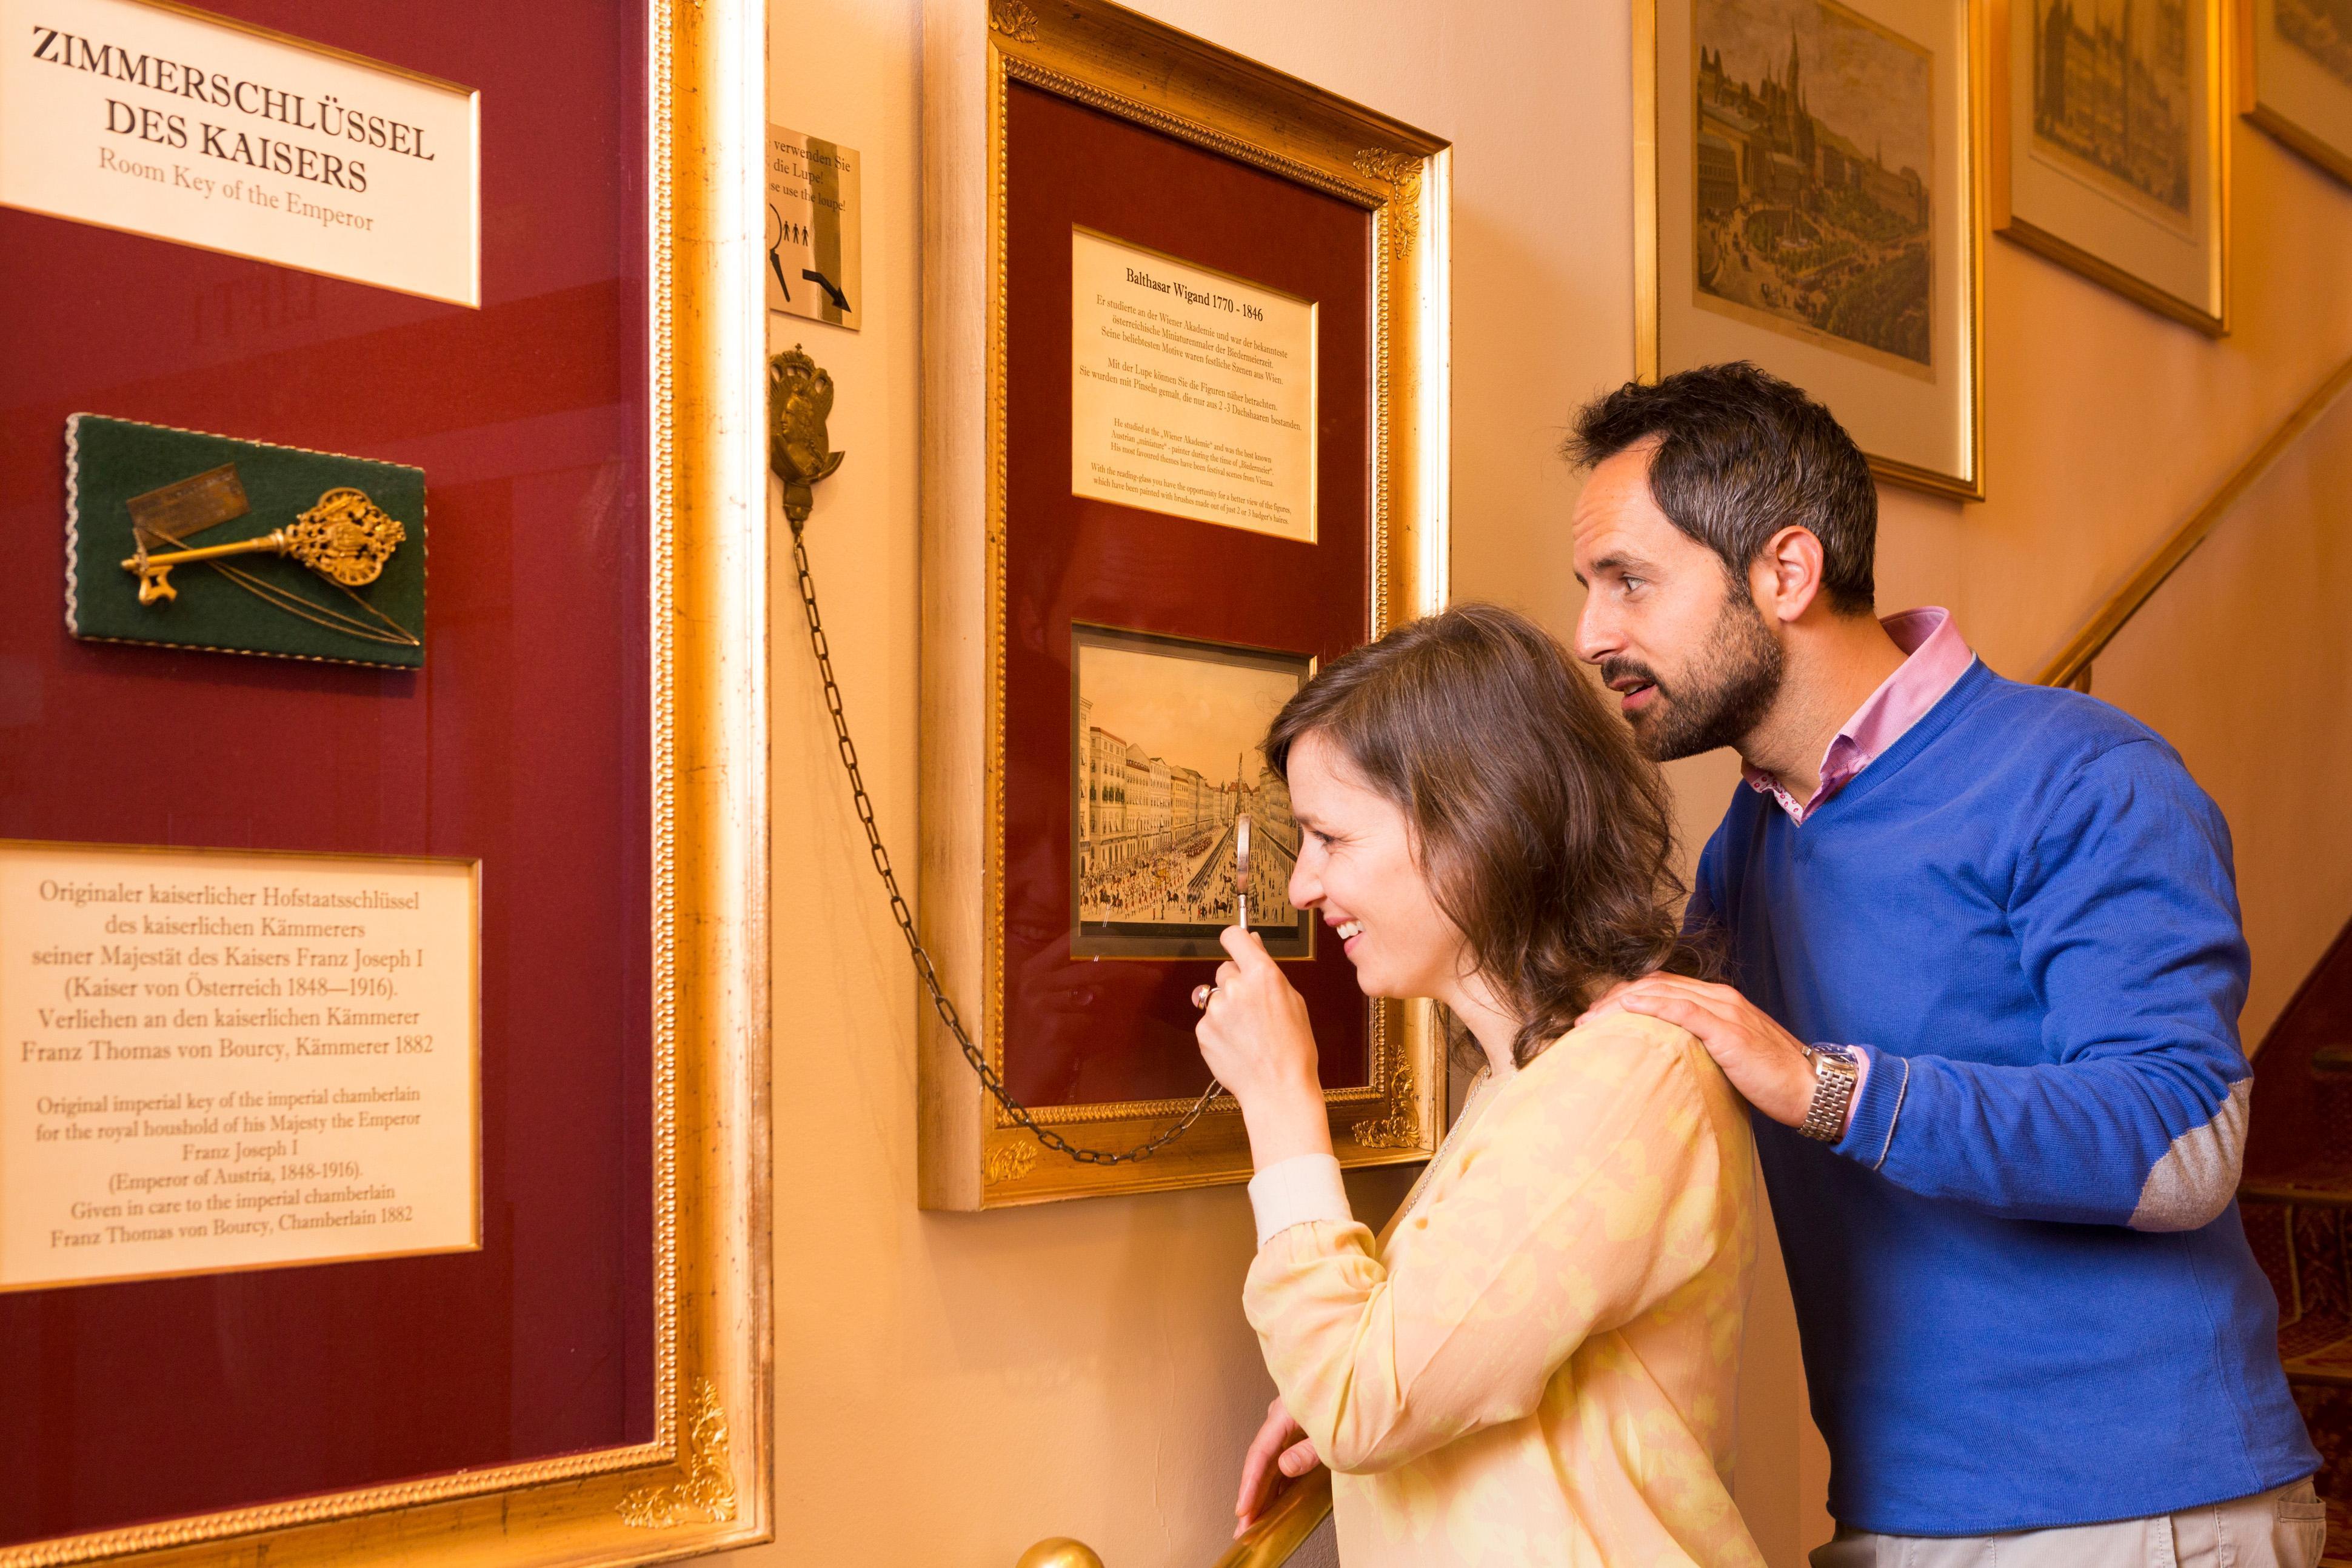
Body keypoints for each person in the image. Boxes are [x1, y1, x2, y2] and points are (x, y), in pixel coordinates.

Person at [1565, 362, 2325, 1566]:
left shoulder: (2083, 774)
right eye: (1587, 588)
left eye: (1627, 582)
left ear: (1784, 571)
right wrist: (1415, 1339)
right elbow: (1604, 1099)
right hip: (1896, 1512)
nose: (1590, 632)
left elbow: (2183, 1142)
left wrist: (1824, 1084)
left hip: (2131, 1512)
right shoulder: (1747, 847)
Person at [1191, 604, 1765, 1567]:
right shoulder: (1522, 1084)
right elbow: (1410, 1369)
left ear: (1473, 826)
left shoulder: (1631, 1079)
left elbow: (1366, 1407)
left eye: (1330, 839)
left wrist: (1282, 1102)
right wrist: (1337, 1373)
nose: (1303, 887)